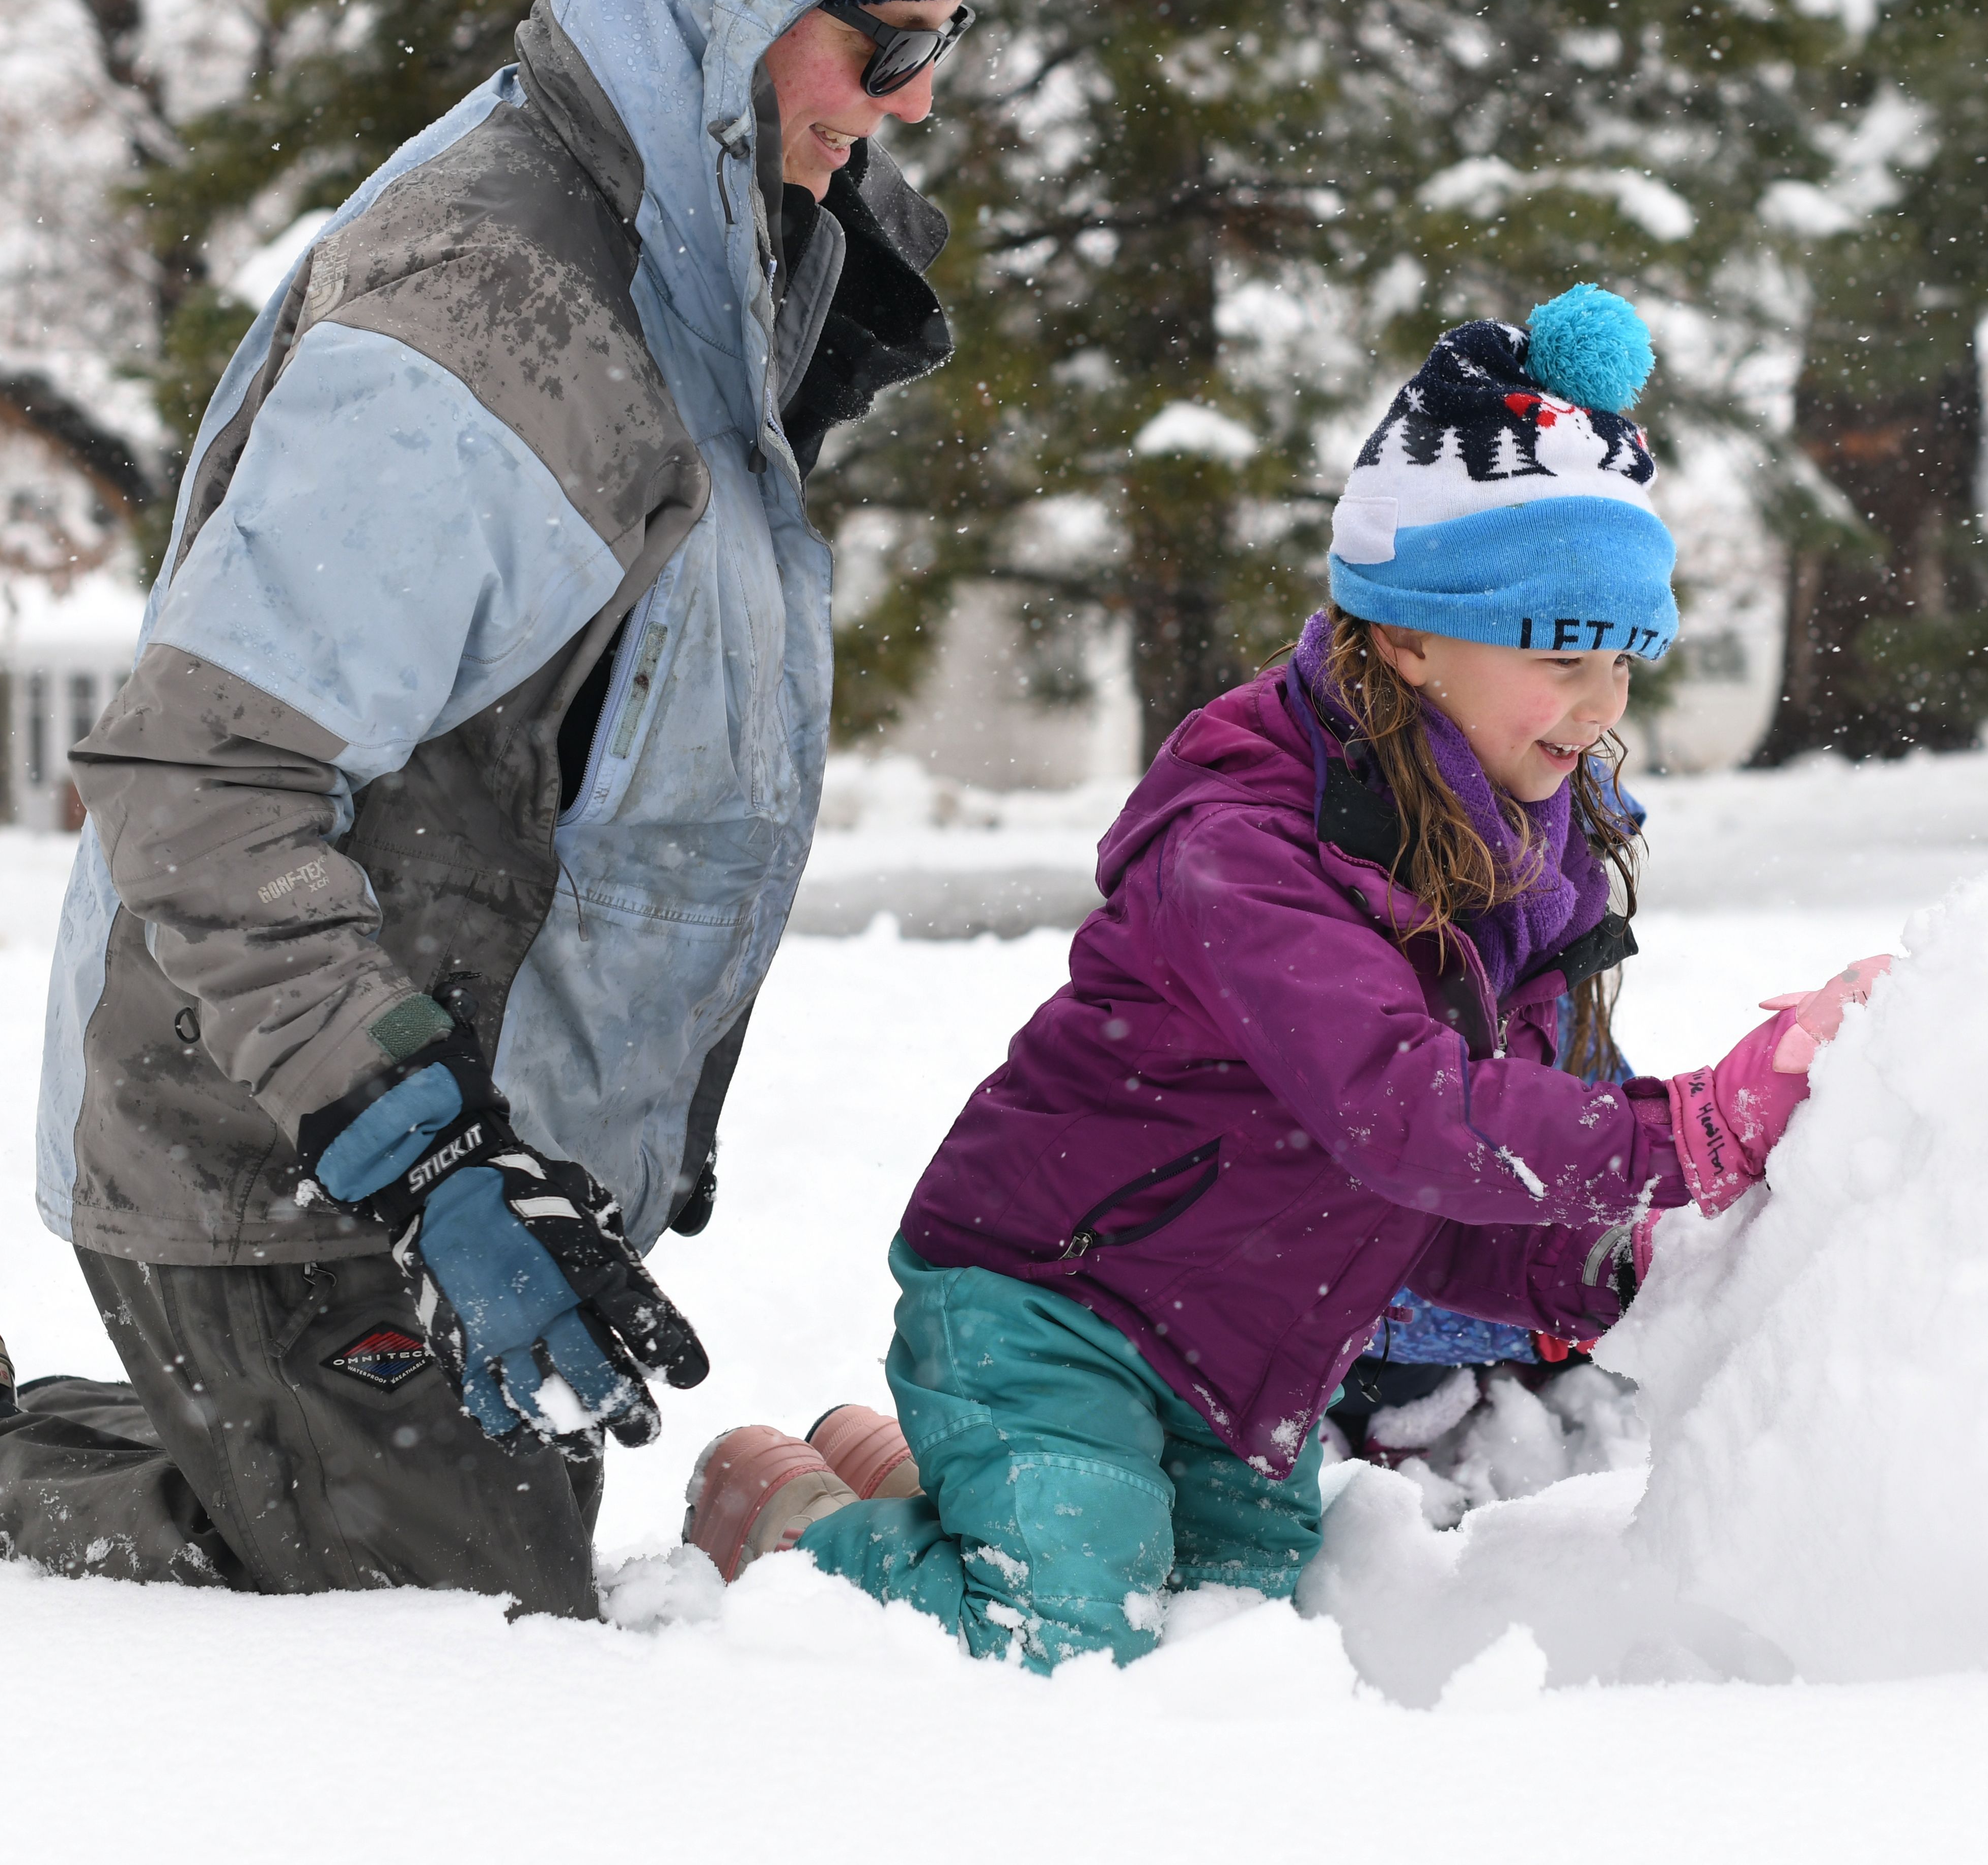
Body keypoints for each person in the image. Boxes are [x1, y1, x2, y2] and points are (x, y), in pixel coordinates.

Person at [0, 0, 1063, 1620]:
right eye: (883, 44)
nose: (918, 102)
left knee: (466, 1561)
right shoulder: (489, 323)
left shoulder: (698, 253)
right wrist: (423, 1159)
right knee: (455, 1645)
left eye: (949, 42)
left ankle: (241, 1449)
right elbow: (201, 786)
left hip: (471, 1151)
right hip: (292, 1144)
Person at [682, 286, 1889, 1665]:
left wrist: (1610, 1268)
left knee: (1223, 1634)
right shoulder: (1246, 848)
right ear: (1406, 634)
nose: (1603, 704)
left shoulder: (1513, 871)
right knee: (1062, 1635)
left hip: (1246, 1345)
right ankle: (778, 1521)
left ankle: (914, 1473)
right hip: (1056, 1300)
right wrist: (1688, 1130)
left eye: (1625, 656)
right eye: (1561, 651)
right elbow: (1408, 1112)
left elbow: (1426, 1195)